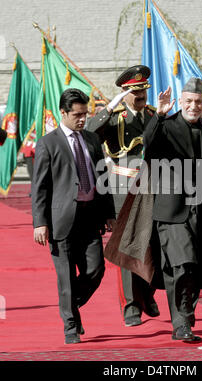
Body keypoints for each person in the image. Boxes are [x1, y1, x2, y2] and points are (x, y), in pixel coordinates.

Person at [142, 78, 202, 341]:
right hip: (172, 211)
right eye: (189, 102)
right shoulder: (166, 127)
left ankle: (185, 313)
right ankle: (181, 323)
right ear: (180, 102)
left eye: (198, 102)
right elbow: (149, 147)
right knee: (182, 264)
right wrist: (159, 114)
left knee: (197, 268)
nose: (194, 106)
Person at [31, 88, 116, 344]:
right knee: (65, 274)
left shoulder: (91, 139)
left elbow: (102, 180)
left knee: (96, 270)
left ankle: (69, 304)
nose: (82, 119)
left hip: (90, 217)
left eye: (85, 114)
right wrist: (40, 223)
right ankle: (70, 326)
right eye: (77, 115)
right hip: (61, 220)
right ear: (64, 113)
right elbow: (40, 187)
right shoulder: (49, 143)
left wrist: (109, 214)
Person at [87, 65, 160, 327]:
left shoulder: (153, 114)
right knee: (128, 247)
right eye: (135, 92)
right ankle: (131, 306)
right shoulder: (114, 116)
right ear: (124, 92)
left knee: (153, 244)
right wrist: (108, 108)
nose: (141, 96)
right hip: (122, 187)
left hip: (152, 186)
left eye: (143, 91)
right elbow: (88, 133)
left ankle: (147, 294)